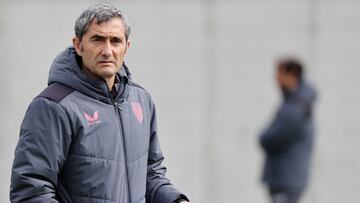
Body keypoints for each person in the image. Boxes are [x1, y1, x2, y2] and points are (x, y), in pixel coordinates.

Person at [10, 4, 189, 203]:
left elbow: (150, 174)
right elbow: (31, 191)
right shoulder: (53, 106)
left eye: (115, 41)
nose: (107, 50)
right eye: (97, 39)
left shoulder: (140, 100)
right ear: (78, 45)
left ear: (126, 47)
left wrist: (176, 200)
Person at [259, 58, 317, 203]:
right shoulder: (293, 103)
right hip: (286, 176)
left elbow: (271, 137)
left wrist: (263, 138)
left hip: (287, 177)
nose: (276, 78)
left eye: (280, 73)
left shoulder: (295, 107)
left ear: (293, 75)